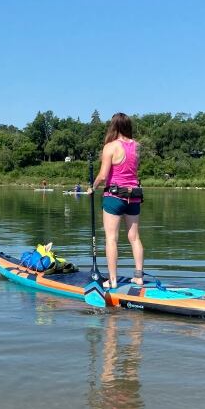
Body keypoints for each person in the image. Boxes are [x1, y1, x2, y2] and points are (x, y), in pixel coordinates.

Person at [88, 112, 143, 288]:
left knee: (111, 238)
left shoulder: (110, 147)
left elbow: (103, 175)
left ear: (114, 127)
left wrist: (92, 187)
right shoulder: (137, 146)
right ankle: (138, 277)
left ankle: (112, 281)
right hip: (134, 195)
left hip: (114, 196)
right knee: (134, 238)